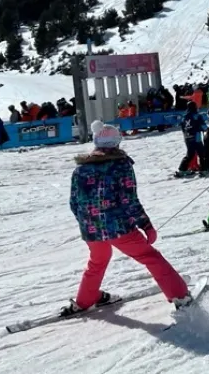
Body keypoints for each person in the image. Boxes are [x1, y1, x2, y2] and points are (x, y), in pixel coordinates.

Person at [64, 121, 192, 315]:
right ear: (117, 142)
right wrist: (146, 225)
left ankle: (84, 300)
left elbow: (74, 202)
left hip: (91, 228)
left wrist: (89, 222)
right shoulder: (120, 165)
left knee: (98, 260)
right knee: (150, 257)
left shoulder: (81, 168)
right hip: (118, 227)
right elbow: (128, 200)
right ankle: (180, 296)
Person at [175, 103, 207, 178]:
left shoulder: (184, 117)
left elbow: (182, 127)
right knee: (202, 154)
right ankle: (204, 169)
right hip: (196, 137)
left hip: (187, 138)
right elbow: (203, 126)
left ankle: (182, 169)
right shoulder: (197, 116)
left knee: (190, 154)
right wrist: (207, 129)